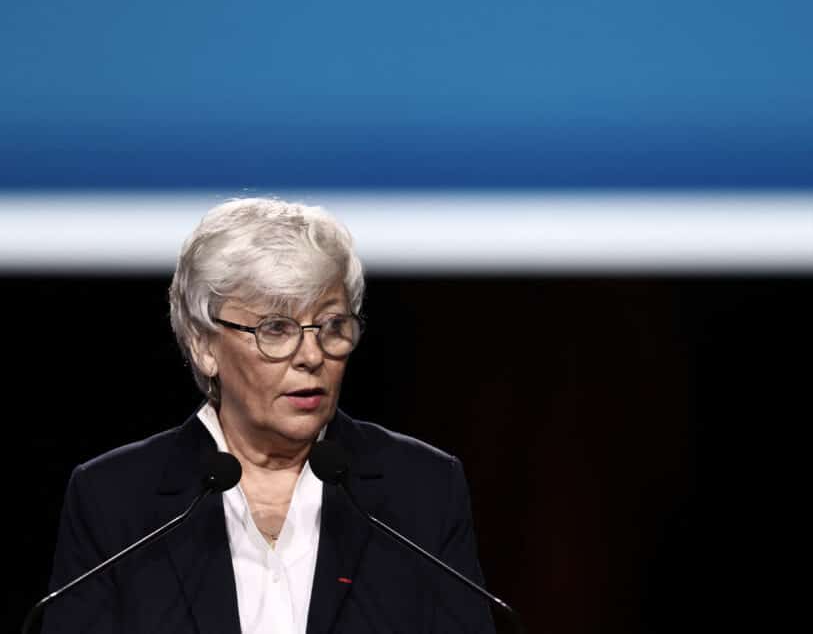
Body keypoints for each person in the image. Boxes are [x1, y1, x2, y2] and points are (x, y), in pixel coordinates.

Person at [42, 197, 495, 634]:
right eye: (276, 329)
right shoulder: (114, 498)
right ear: (203, 344)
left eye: (332, 326)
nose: (312, 356)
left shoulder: (422, 488)